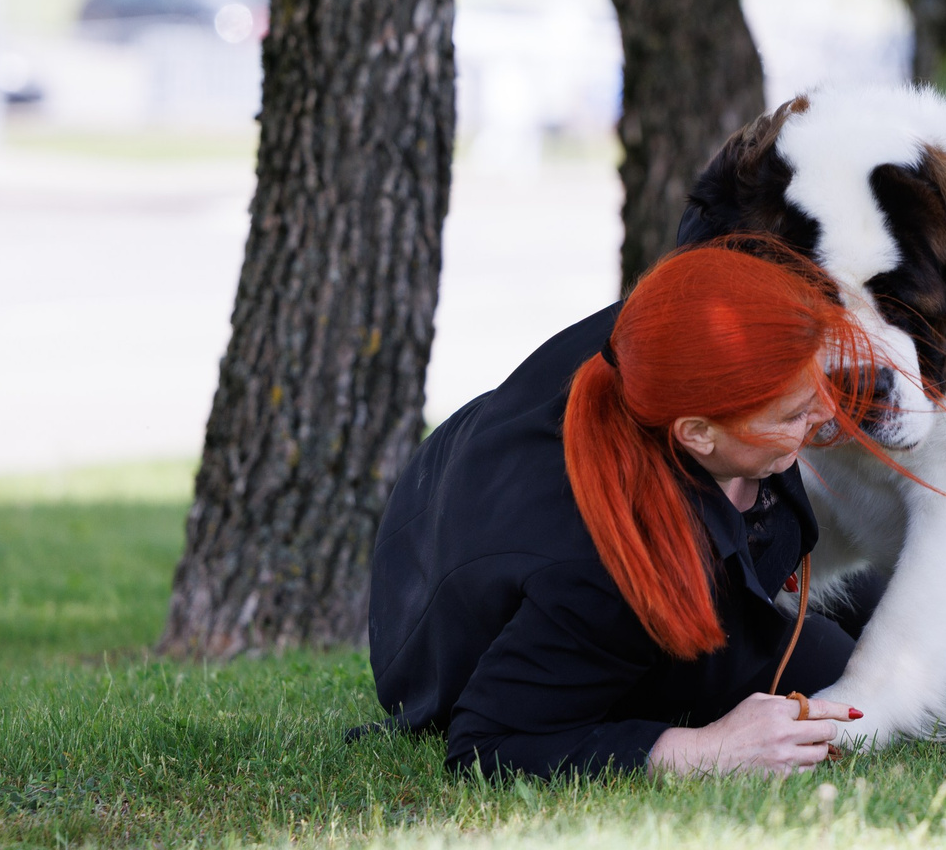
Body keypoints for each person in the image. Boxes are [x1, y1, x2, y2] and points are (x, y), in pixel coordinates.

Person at [367, 243, 892, 778]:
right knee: (836, 667)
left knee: (875, 596)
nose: (829, 412)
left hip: (459, 514)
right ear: (698, 434)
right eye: (796, 413)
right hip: (467, 638)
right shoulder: (604, 573)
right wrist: (709, 751)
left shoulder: (668, 338)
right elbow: (487, 745)